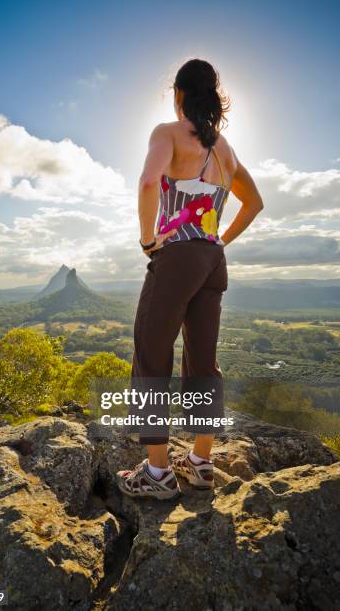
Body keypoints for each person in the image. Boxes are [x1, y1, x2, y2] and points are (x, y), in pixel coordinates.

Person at [117, 58, 263, 500]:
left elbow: (148, 183)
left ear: (179, 94)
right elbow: (254, 203)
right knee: (202, 361)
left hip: (176, 255)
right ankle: (201, 462)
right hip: (212, 261)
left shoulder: (167, 133)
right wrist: (218, 240)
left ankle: (158, 473)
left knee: (151, 353)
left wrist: (148, 239)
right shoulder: (226, 150)